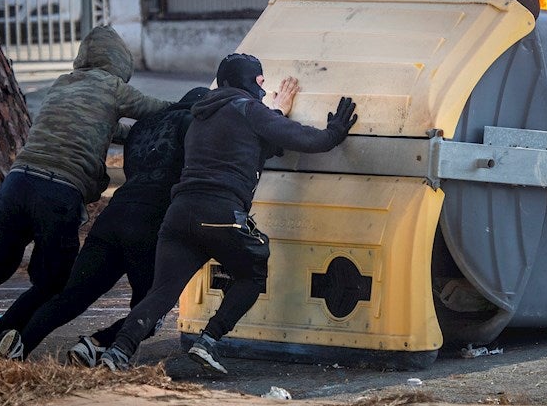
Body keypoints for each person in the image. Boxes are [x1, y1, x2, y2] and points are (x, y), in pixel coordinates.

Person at [98, 52, 357, 374]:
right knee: (252, 273)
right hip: (221, 212)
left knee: (161, 292)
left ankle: (117, 352)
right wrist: (334, 131)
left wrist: (272, 112)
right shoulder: (249, 109)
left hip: (179, 215)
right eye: (261, 82)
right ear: (250, 82)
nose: (264, 90)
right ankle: (208, 341)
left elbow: (255, 144)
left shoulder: (201, 116)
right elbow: (306, 140)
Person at [0, 26, 170, 352]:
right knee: (56, 282)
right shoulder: (114, 87)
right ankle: (0, 342)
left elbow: (94, 124)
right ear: (120, 62)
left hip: (16, 184)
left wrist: (120, 135)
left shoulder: (62, 84)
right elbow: (160, 110)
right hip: (58, 194)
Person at [0, 86, 211, 362]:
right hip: (151, 223)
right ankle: (98, 342)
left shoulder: (143, 126)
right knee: (150, 309)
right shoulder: (193, 125)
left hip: (112, 217)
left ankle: (19, 346)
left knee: (72, 295)